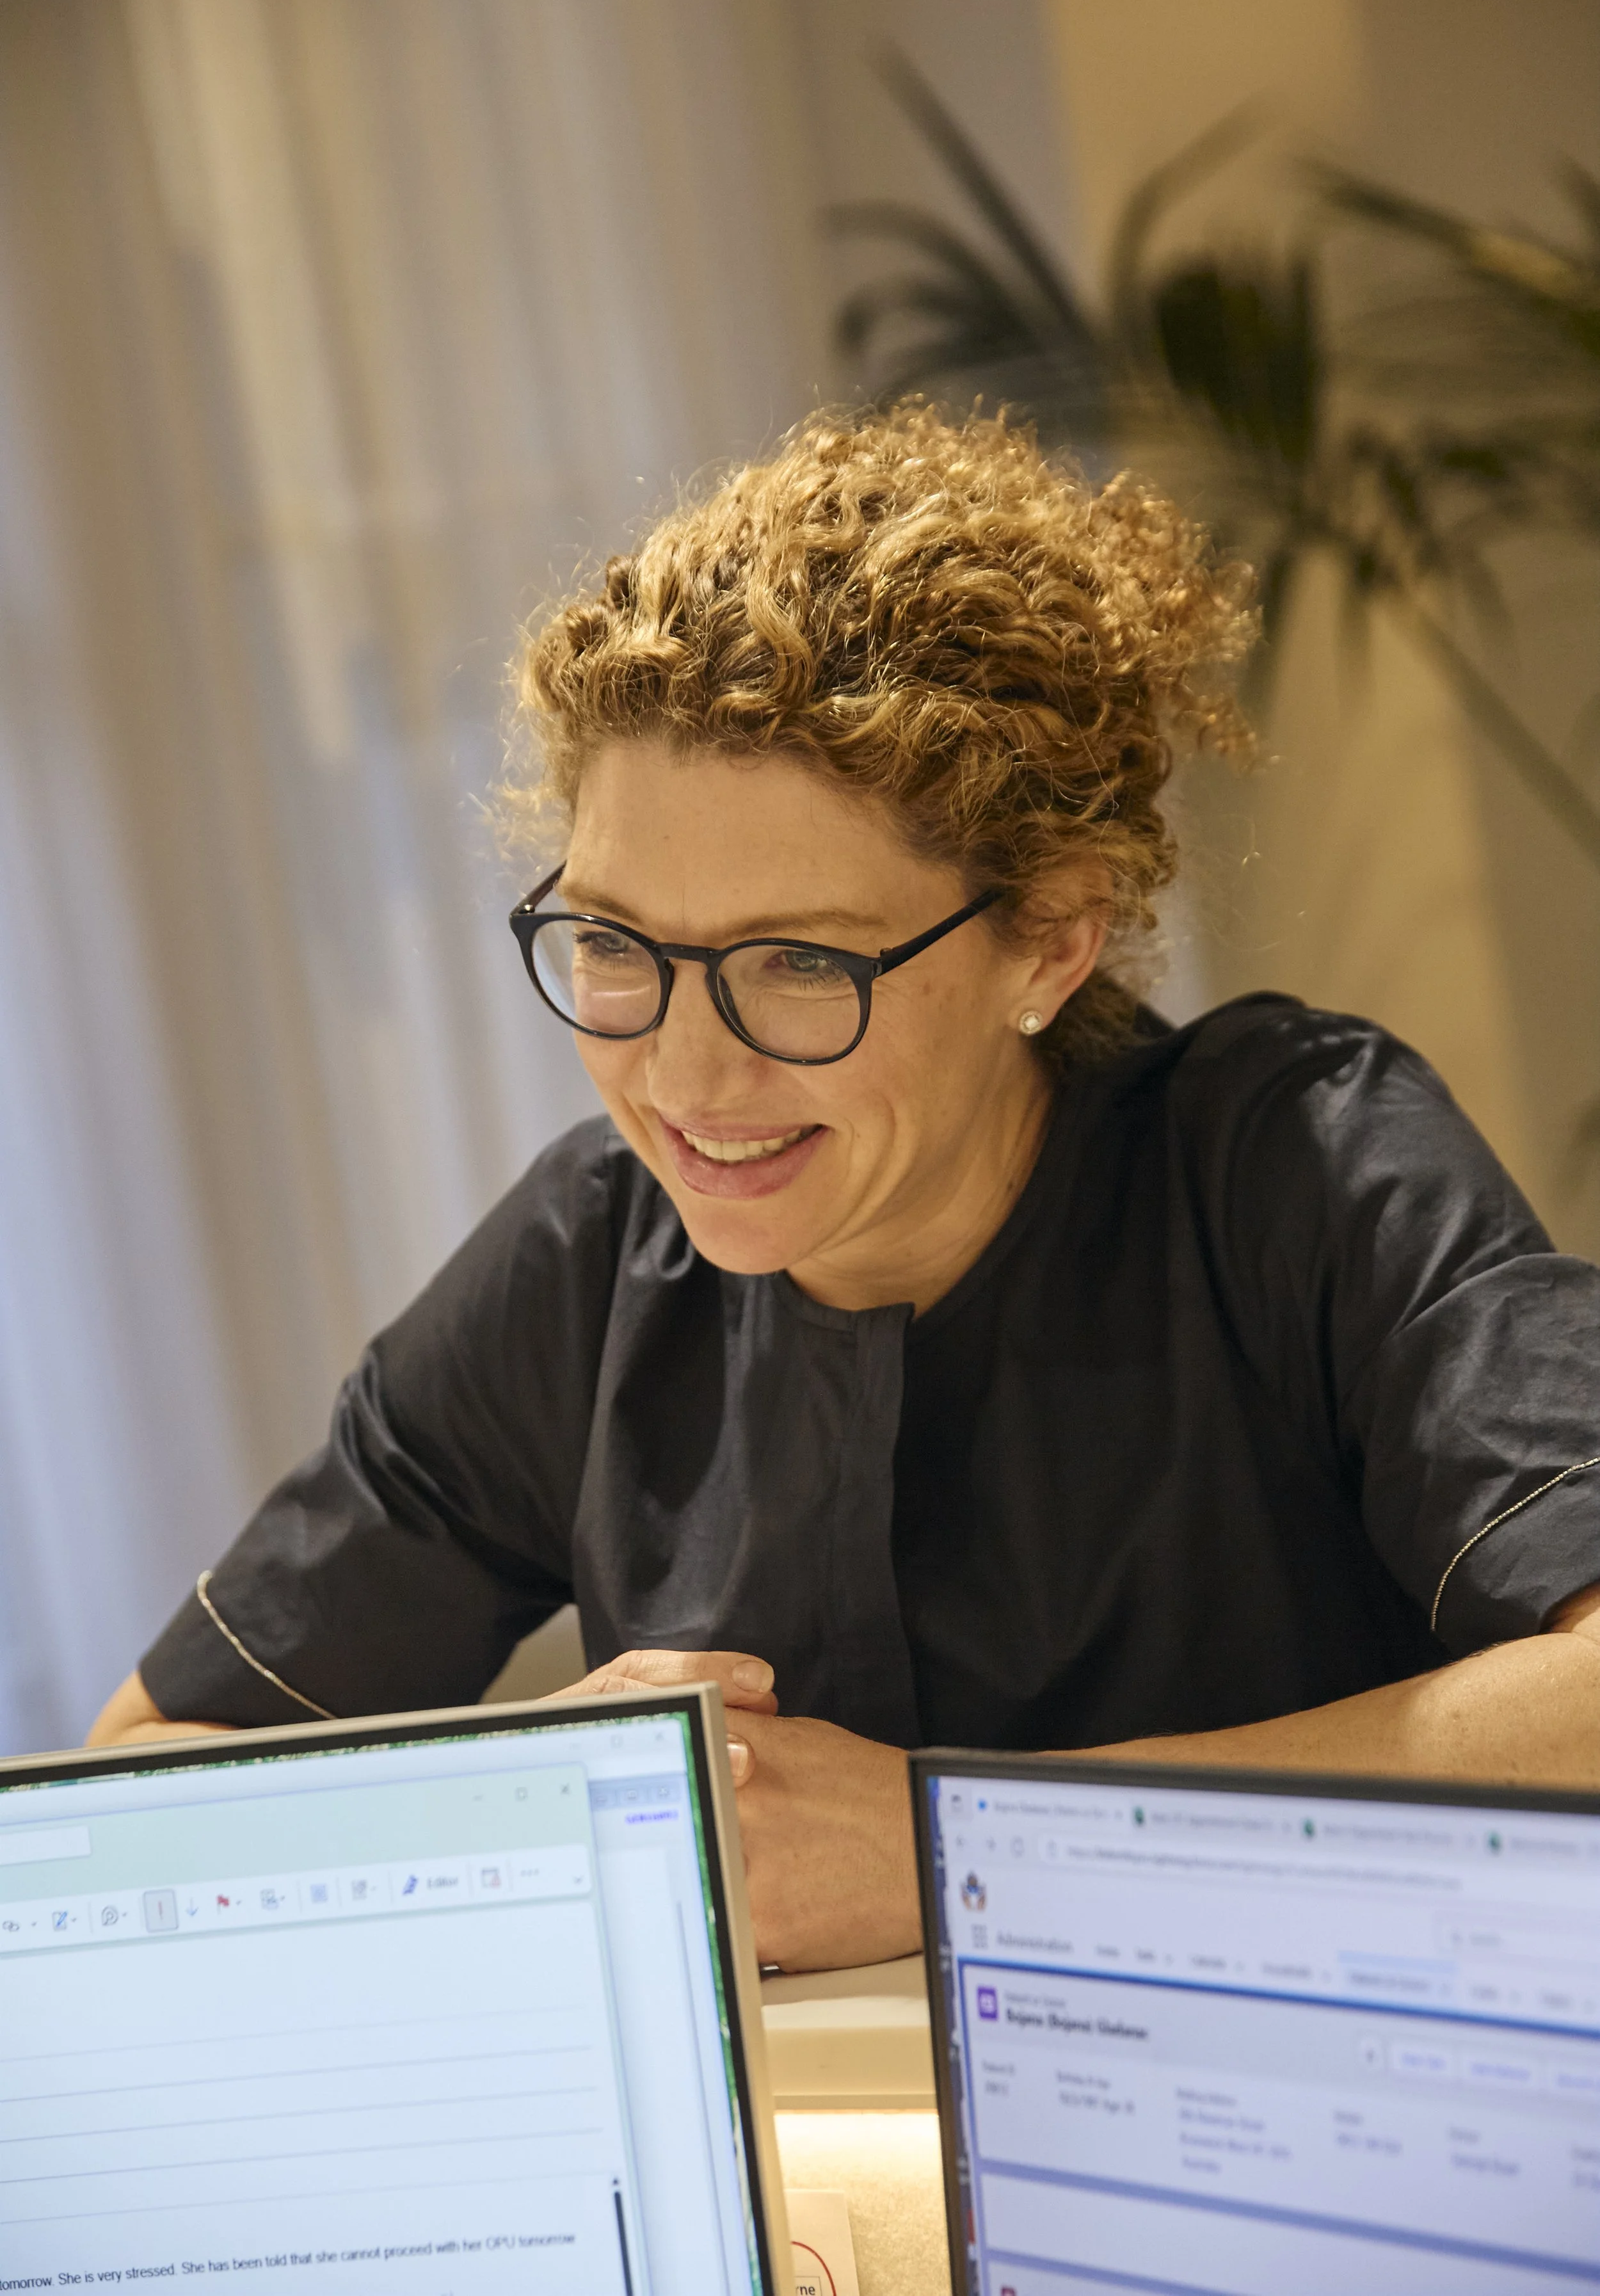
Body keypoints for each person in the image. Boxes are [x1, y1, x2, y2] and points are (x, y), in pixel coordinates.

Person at [91, 406, 1600, 1971]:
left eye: (797, 965)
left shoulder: (1289, 1159)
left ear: (1049, 940)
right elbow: (140, 1775)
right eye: (614, 945)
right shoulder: (585, 1258)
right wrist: (522, 1812)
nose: (681, 1081)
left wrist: (965, 1847)